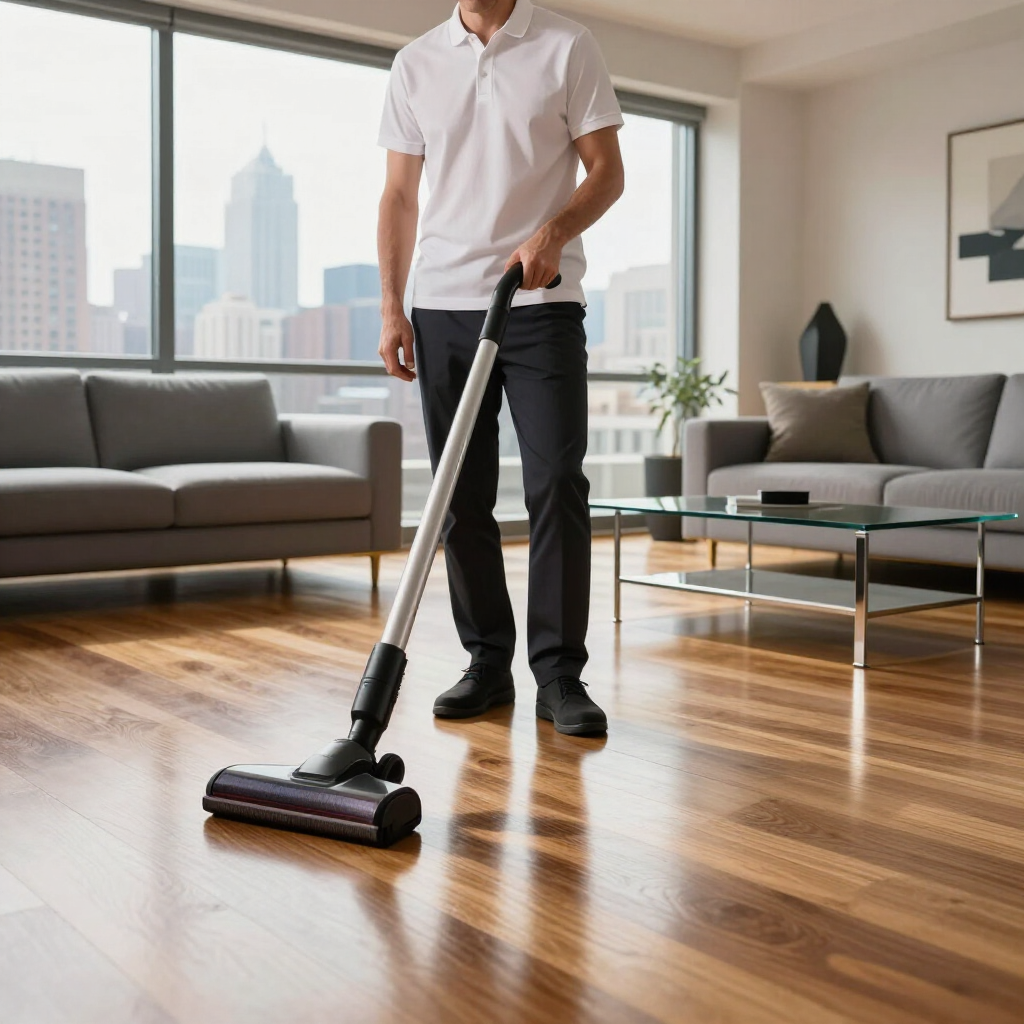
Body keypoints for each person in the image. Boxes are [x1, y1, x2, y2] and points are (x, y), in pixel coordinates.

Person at [377, 0, 624, 736]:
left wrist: (554, 231)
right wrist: (394, 306)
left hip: (539, 302)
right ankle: (487, 663)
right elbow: (398, 195)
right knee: (462, 496)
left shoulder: (566, 45)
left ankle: (559, 677)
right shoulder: (415, 63)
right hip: (444, 305)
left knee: (556, 483)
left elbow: (606, 173)